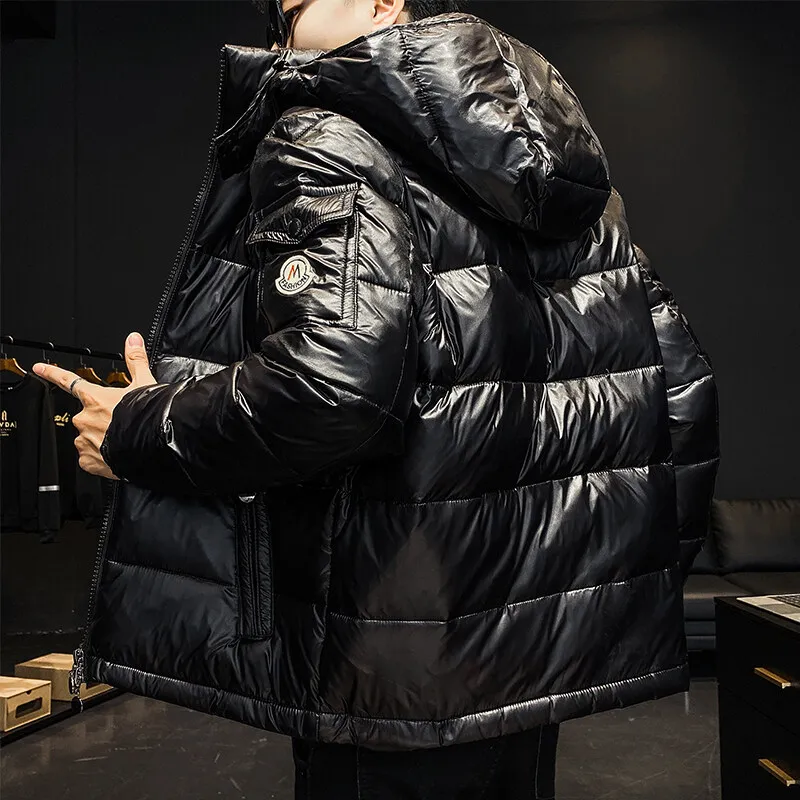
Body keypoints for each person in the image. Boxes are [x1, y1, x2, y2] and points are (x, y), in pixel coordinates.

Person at [34, 1, 720, 797]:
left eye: (293, 9)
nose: (279, 34)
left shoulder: (327, 136)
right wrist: (595, 598)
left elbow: (328, 388)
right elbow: (682, 393)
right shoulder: (565, 176)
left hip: (389, 660)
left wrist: (139, 430)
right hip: (526, 665)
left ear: (385, 2)